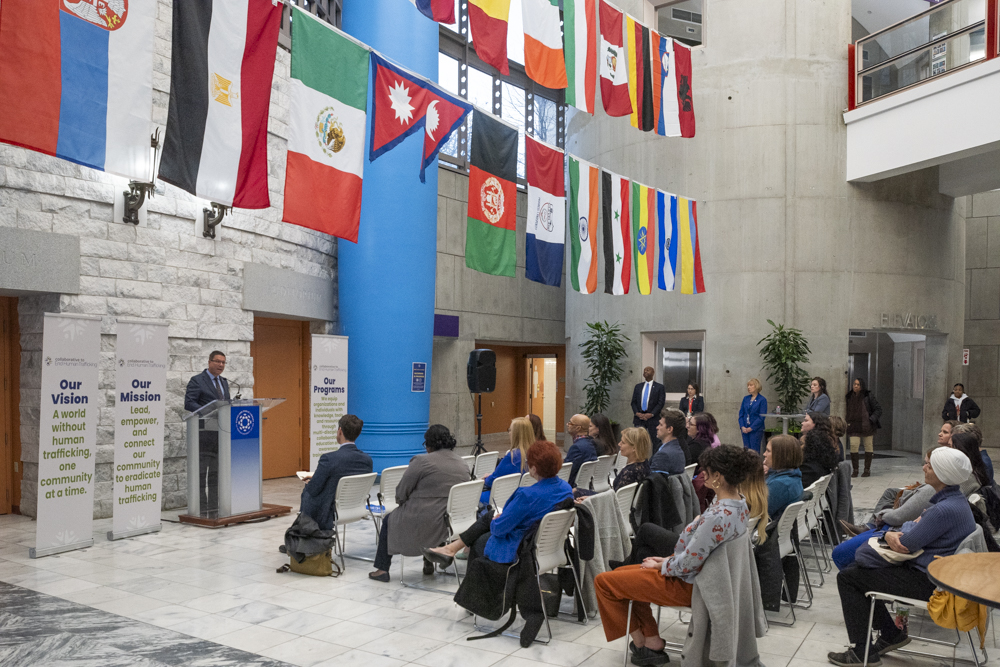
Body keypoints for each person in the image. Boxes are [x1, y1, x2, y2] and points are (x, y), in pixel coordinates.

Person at [593, 446, 758, 666]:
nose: (702, 474)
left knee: (604, 582)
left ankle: (642, 642)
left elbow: (689, 563)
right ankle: (651, 640)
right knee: (624, 574)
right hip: (702, 579)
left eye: (707, 471)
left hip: (691, 585)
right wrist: (666, 561)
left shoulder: (718, 516)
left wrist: (663, 565)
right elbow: (697, 554)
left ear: (718, 476)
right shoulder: (739, 504)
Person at [828, 447, 976, 666]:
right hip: (938, 574)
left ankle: (862, 652)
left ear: (942, 474)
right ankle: (890, 634)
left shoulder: (942, 509)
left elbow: (905, 543)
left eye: (929, 465)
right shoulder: (955, 501)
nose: (924, 468)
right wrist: (909, 527)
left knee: (848, 578)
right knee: (855, 573)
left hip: (929, 582)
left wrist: (890, 533)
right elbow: (911, 530)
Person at [423, 440, 573, 644]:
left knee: (481, 538)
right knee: (488, 520)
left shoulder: (527, 495)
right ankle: (452, 550)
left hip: (519, 549)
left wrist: (497, 520)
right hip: (548, 547)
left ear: (534, 468)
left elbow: (499, 529)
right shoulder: (564, 488)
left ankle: (474, 597)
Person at [369, 425, 471, 582]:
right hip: (450, 521)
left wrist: (404, 502)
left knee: (389, 519)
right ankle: (428, 561)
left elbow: (401, 492)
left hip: (424, 518)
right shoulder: (462, 463)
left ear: (429, 444)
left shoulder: (421, 461)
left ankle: (382, 569)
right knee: (435, 512)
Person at [297, 414, 372, 530]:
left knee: (307, 491)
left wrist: (311, 482)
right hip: (356, 507)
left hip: (330, 510)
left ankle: (305, 533)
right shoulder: (367, 460)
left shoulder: (328, 459)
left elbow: (313, 489)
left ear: (340, 431)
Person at [184, 350, 231, 514]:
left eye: (223, 362)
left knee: (216, 474)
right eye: (217, 361)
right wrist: (208, 411)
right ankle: (202, 507)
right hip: (203, 435)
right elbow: (189, 403)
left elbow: (225, 405)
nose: (221, 365)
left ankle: (214, 505)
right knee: (202, 473)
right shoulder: (197, 381)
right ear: (209, 362)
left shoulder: (224, 382)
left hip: (220, 435)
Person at [480, 417, 533, 505]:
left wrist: (485, 479)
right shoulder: (535, 453)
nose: (509, 433)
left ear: (516, 434)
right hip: (525, 496)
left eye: (510, 430)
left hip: (504, 497)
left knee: (472, 495)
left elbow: (492, 481)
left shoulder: (512, 456)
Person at [845, 378, 881, 478]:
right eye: (854, 384)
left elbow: (878, 409)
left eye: (858, 384)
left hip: (867, 426)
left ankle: (867, 470)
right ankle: (855, 470)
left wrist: (871, 419)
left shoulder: (868, 396)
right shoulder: (849, 396)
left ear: (862, 386)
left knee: (868, 446)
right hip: (854, 426)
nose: (855, 386)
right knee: (853, 446)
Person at [763, 435, 803, 520]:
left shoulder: (780, 484)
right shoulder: (793, 476)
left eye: (768, 451)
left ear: (780, 455)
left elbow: (759, 515)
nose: (764, 454)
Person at [799, 412, 840, 488]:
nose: (802, 423)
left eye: (806, 420)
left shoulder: (809, 464)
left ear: (815, 424)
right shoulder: (826, 444)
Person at [631, 366, 666, 444]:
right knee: (638, 441)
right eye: (644, 370)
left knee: (656, 441)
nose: (645, 372)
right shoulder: (638, 386)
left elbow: (660, 403)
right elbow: (633, 402)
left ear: (653, 373)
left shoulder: (659, 387)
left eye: (648, 370)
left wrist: (652, 414)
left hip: (653, 419)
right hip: (639, 419)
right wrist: (637, 413)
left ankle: (655, 453)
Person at [649, 409, 687, 475]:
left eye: (661, 424)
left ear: (669, 429)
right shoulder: (678, 449)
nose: (657, 427)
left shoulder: (663, 455)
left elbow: (653, 480)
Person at [565, 414, 598, 487]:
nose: (567, 424)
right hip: (584, 486)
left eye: (570, 423)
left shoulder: (576, 448)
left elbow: (566, 471)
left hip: (570, 487)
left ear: (578, 428)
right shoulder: (590, 444)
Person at [738, 378, 768, 453]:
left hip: (756, 430)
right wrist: (742, 426)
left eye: (751, 385)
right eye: (748, 385)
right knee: (746, 450)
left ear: (757, 386)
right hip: (745, 429)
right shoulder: (746, 398)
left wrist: (751, 428)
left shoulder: (762, 400)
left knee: (754, 451)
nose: (748, 387)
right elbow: (741, 414)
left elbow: (762, 417)